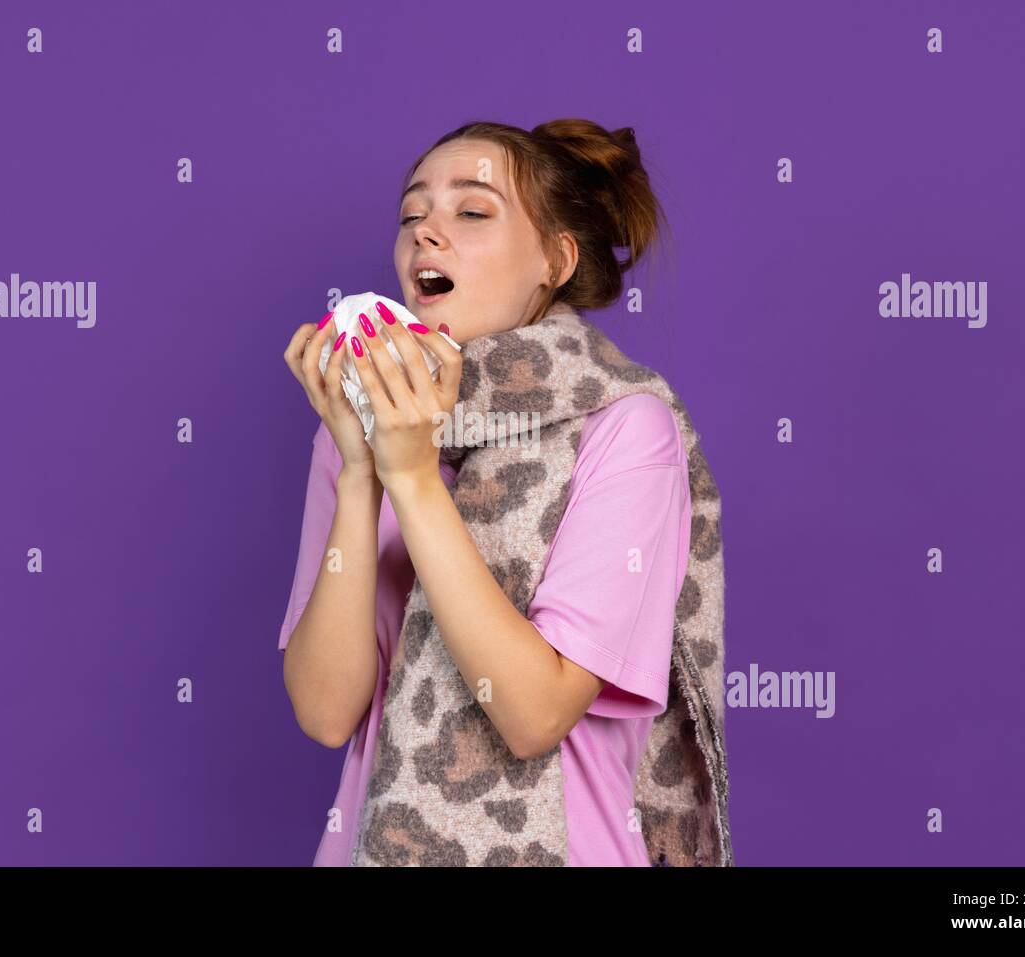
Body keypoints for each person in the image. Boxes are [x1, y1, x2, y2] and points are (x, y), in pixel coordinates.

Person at [279, 119, 714, 866]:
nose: (426, 234)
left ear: (555, 259)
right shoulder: (354, 427)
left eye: (471, 212)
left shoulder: (626, 429)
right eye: (411, 216)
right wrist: (360, 472)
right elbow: (325, 712)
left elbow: (533, 711)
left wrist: (412, 477)